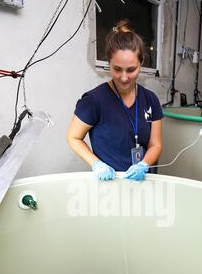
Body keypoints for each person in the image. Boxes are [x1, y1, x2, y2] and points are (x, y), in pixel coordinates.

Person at [67, 19, 163, 181]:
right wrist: (96, 164)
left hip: (143, 181)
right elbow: (73, 137)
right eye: (117, 69)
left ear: (142, 63)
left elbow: (156, 145)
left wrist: (144, 164)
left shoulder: (150, 100)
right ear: (109, 63)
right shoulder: (94, 100)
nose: (124, 78)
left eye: (131, 70)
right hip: (111, 183)